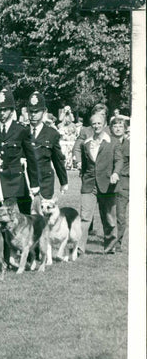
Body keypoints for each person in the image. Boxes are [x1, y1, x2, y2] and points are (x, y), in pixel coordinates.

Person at [77, 103, 123, 255]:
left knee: (109, 219)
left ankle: (110, 246)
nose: (96, 126)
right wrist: (83, 175)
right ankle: (79, 248)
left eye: (99, 123)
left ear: (104, 125)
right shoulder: (86, 144)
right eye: (94, 124)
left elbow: (119, 160)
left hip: (108, 184)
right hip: (89, 185)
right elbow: (84, 164)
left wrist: (116, 173)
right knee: (84, 217)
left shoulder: (113, 142)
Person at [0, 88, 40, 216]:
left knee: (25, 219)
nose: (2, 113)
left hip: (17, 183)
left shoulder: (22, 130)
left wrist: (34, 183)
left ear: (11, 111)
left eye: (5, 110)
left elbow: (31, 158)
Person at [26, 91, 68, 203]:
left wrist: (63, 182)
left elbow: (58, 160)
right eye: (30, 111)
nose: (33, 115)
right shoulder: (21, 132)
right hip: (26, 181)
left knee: (43, 217)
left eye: (36, 111)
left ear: (44, 111)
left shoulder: (52, 134)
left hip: (45, 182)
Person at [110, 116, 129, 251]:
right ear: (111, 128)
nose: (118, 128)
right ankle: (110, 239)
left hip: (124, 182)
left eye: (121, 126)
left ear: (125, 129)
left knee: (121, 215)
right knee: (110, 213)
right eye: (115, 126)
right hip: (109, 182)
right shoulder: (107, 143)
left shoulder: (130, 145)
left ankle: (118, 242)